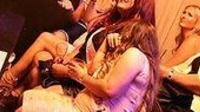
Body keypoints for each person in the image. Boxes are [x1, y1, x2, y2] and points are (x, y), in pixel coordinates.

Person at [0, 0, 156, 106]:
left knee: (43, 49)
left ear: (141, 4)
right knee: (40, 59)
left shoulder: (131, 34)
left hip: (86, 87)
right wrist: (69, 58)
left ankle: (7, 85)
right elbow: (87, 30)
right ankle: (8, 90)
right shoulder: (114, 21)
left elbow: (103, 74)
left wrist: (69, 71)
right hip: (80, 68)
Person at [19, 20, 161, 112]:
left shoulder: (135, 55)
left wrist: (81, 76)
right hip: (79, 106)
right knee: (26, 99)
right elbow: (94, 71)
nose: (121, 37)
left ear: (134, 35)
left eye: (125, 33)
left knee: (24, 108)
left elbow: (108, 90)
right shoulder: (130, 56)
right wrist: (105, 45)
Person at [163, 5, 200, 69]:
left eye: (190, 15)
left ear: (198, 22)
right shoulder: (191, 38)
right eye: (184, 12)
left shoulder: (192, 40)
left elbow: (169, 65)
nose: (184, 16)